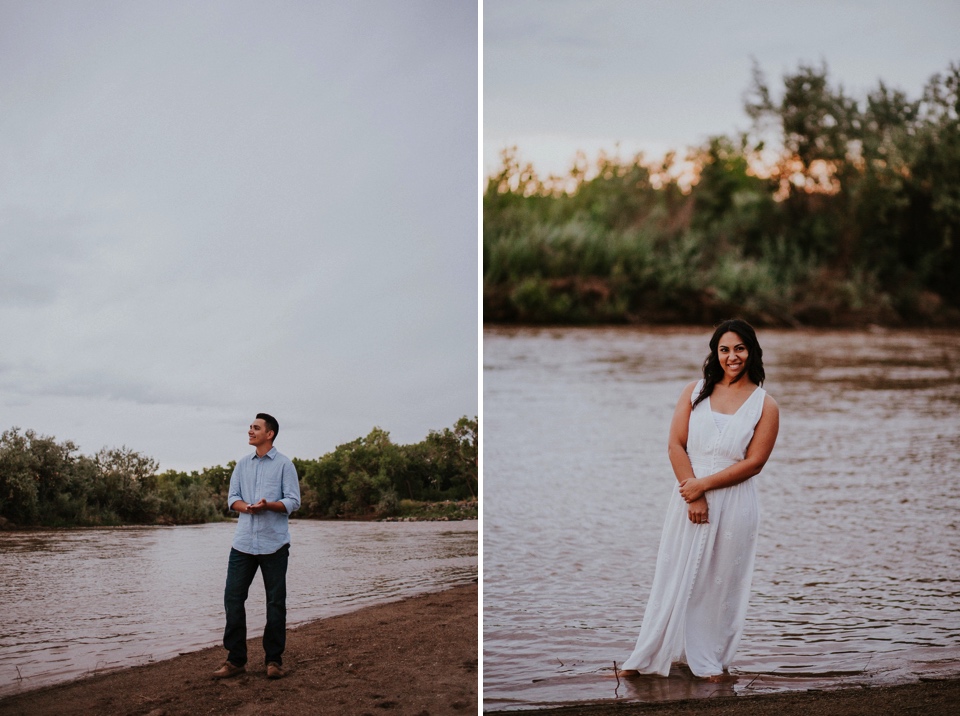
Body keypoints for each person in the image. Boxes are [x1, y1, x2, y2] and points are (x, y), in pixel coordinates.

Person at [619, 319, 780, 681]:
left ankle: (708, 659)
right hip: (688, 495)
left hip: (735, 501)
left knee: (720, 580)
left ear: (751, 351)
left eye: (739, 348)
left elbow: (754, 463)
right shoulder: (694, 392)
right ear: (715, 353)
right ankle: (650, 652)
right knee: (674, 573)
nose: (732, 356)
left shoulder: (765, 404)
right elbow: (676, 444)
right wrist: (694, 493)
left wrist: (703, 486)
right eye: (724, 349)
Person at [213, 413, 301, 680]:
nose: (250, 431)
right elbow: (233, 499)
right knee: (233, 598)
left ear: (269, 433)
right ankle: (236, 660)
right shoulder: (241, 465)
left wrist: (268, 506)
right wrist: (248, 508)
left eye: (256, 428)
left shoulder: (285, 465)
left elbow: (293, 502)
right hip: (242, 544)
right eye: (250, 427)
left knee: (275, 603)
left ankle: (273, 661)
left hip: (274, 544)